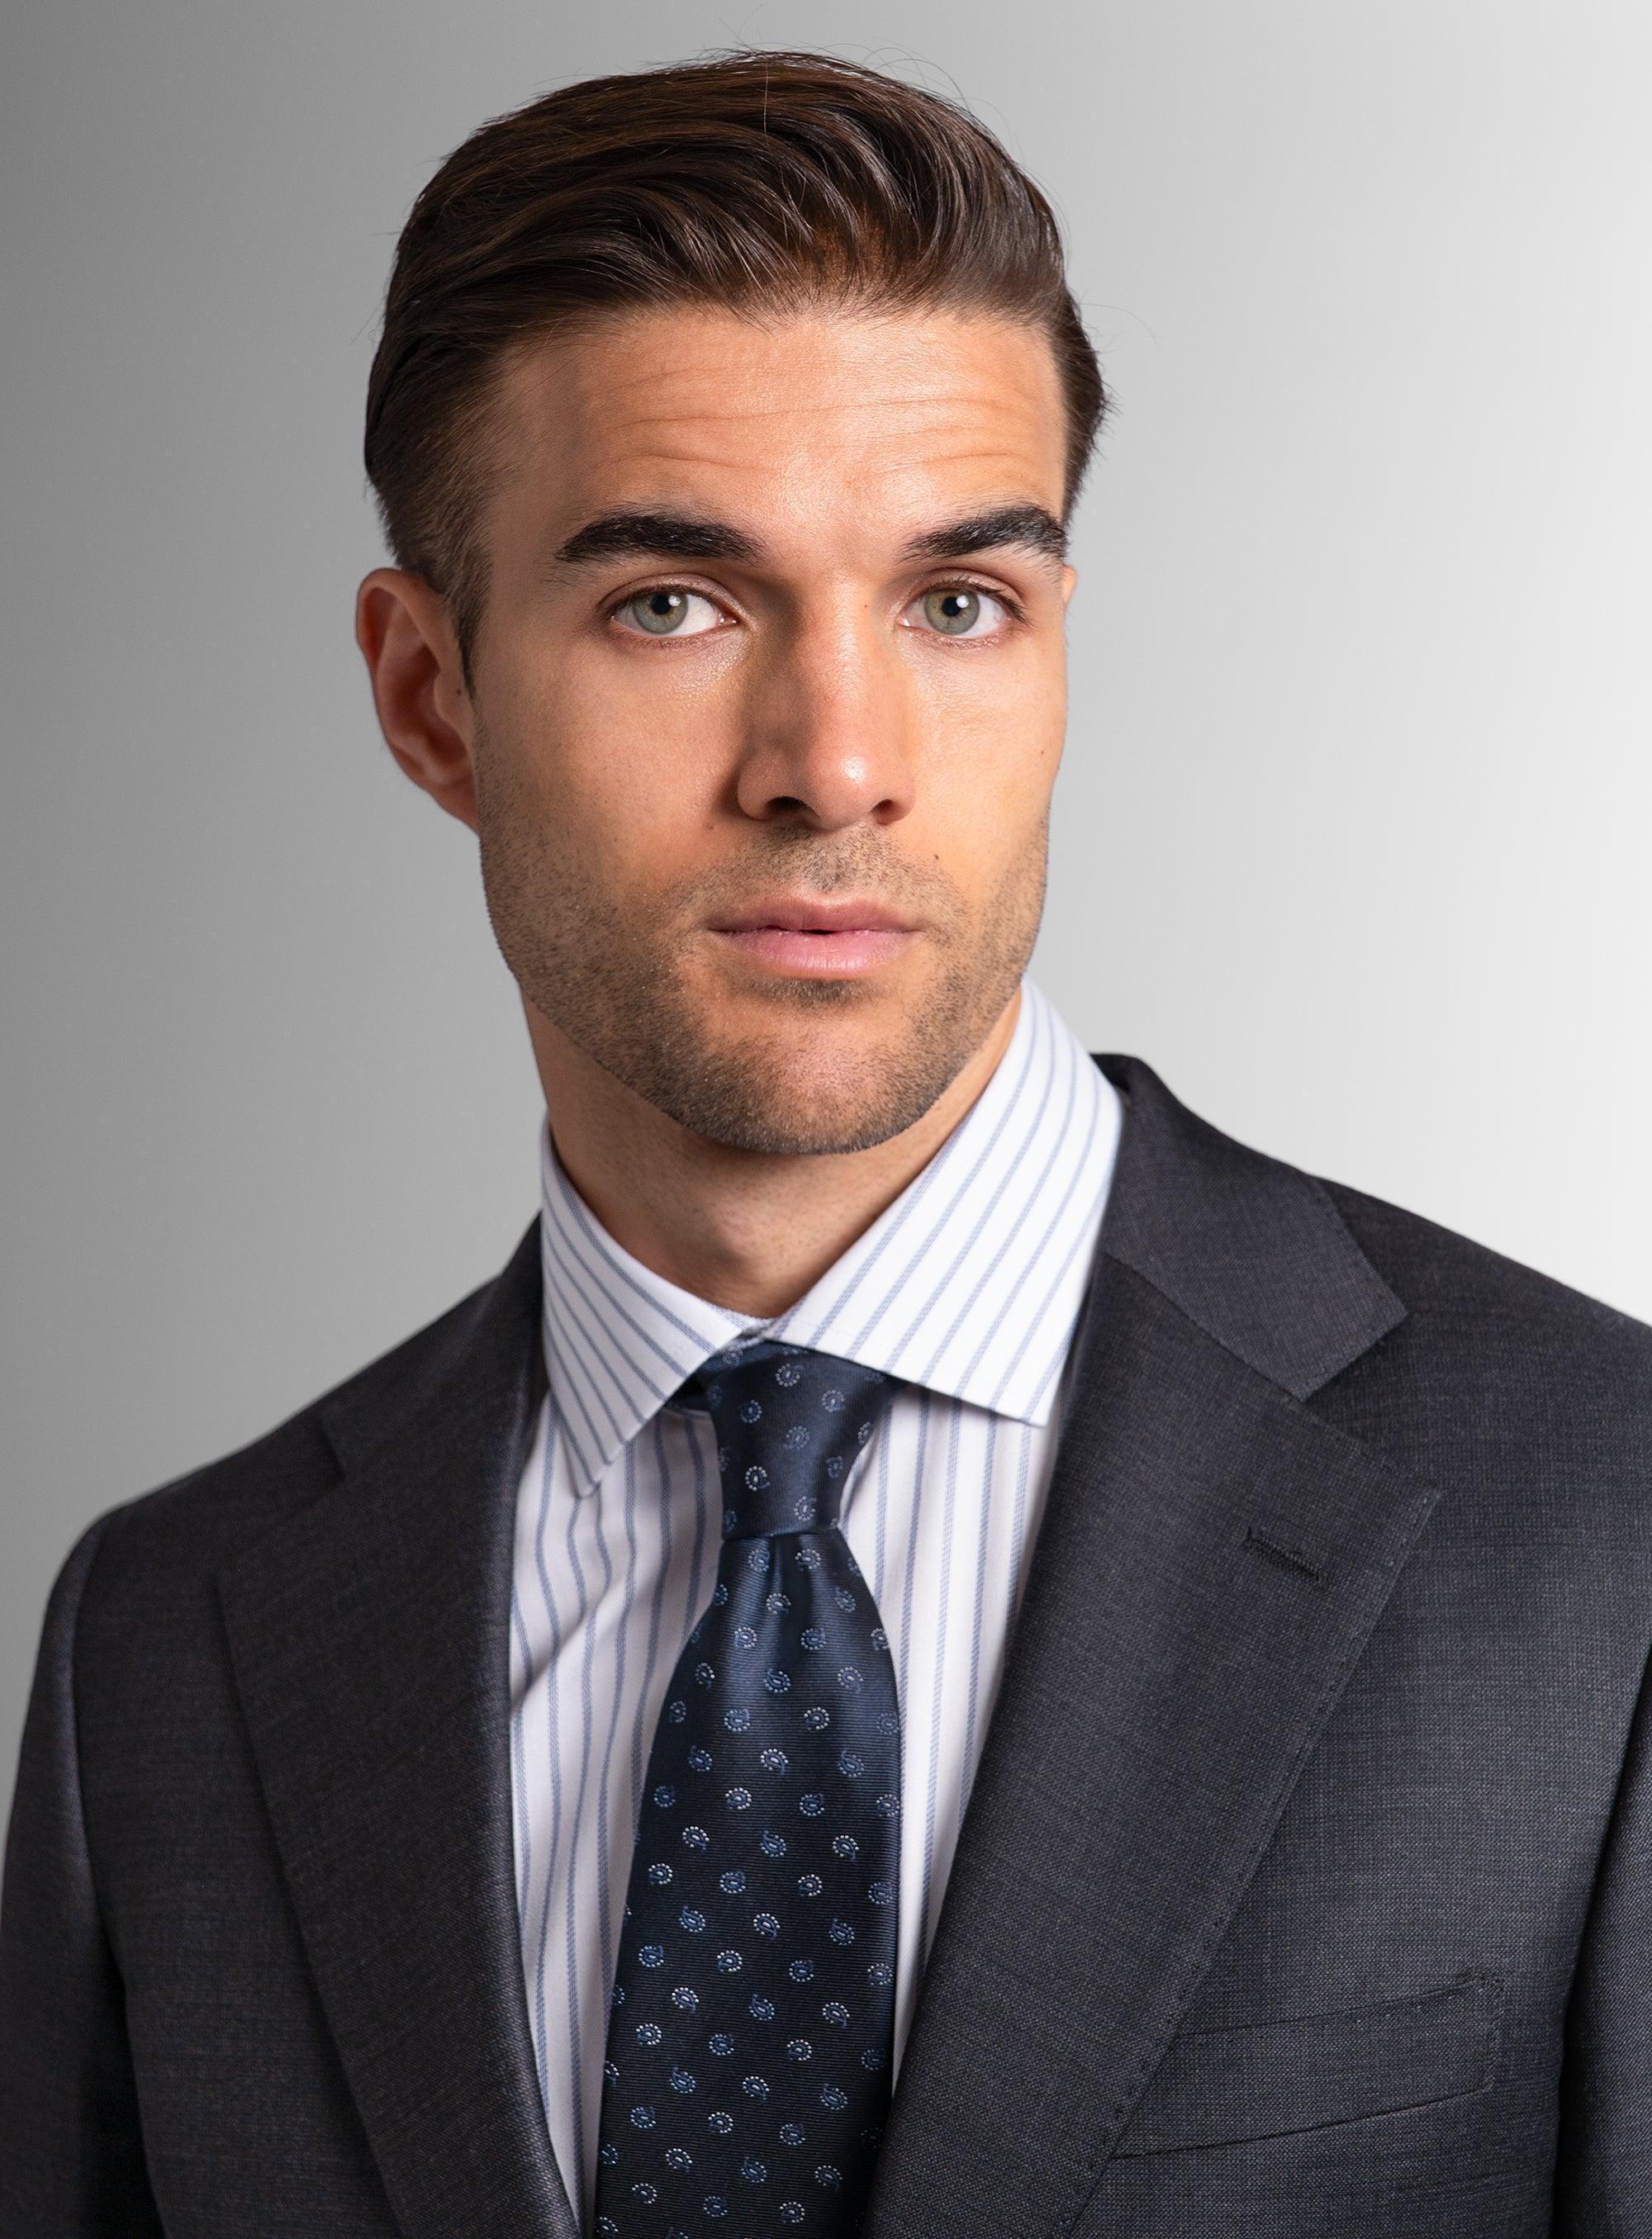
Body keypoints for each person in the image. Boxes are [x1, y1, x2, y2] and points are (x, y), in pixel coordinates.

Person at [2, 48, 1650, 2239]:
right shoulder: (171, 1646)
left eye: (958, 604)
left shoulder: (1604, 1535)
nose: (837, 763)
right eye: (672, 605)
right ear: (431, 700)